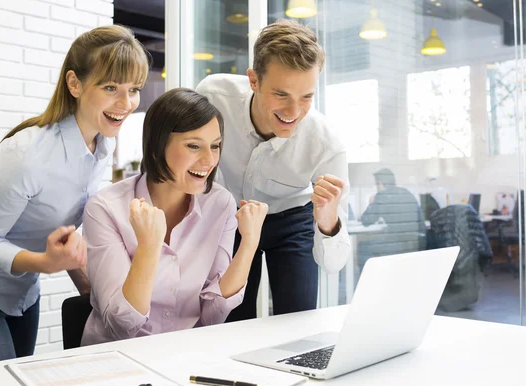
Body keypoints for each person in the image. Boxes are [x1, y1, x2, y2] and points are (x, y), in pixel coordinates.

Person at [0, 25, 149, 363]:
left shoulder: (102, 146)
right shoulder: (27, 154)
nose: (127, 102)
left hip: (21, 293)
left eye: (134, 89)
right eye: (110, 87)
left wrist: (96, 292)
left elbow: (64, 229)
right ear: (75, 83)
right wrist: (45, 263)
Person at [81, 88, 268, 345]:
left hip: (185, 356)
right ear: (158, 146)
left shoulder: (220, 204)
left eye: (215, 146)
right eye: (194, 146)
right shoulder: (105, 209)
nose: (209, 160)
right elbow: (121, 327)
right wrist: (148, 247)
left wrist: (249, 242)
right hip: (118, 361)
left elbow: (213, 315)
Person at [196, 19, 351, 321]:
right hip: (233, 216)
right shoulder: (213, 97)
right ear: (253, 80)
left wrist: (329, 220)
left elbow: (334, 263)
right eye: (281, 95)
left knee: (297, 321)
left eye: (306, 97)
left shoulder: (326, 144)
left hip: (294, 218)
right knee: (229, 316)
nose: (294, 112)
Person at [358, 168, 426, 271]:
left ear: (380, 183)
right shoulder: (407, 193)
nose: (376, 187)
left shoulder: (381, 196)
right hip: (417, 243)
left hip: (398, 246)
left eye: (376, 184)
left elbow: (366, 221)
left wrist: (371, 204)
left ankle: (368, 282)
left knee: (362, 246)